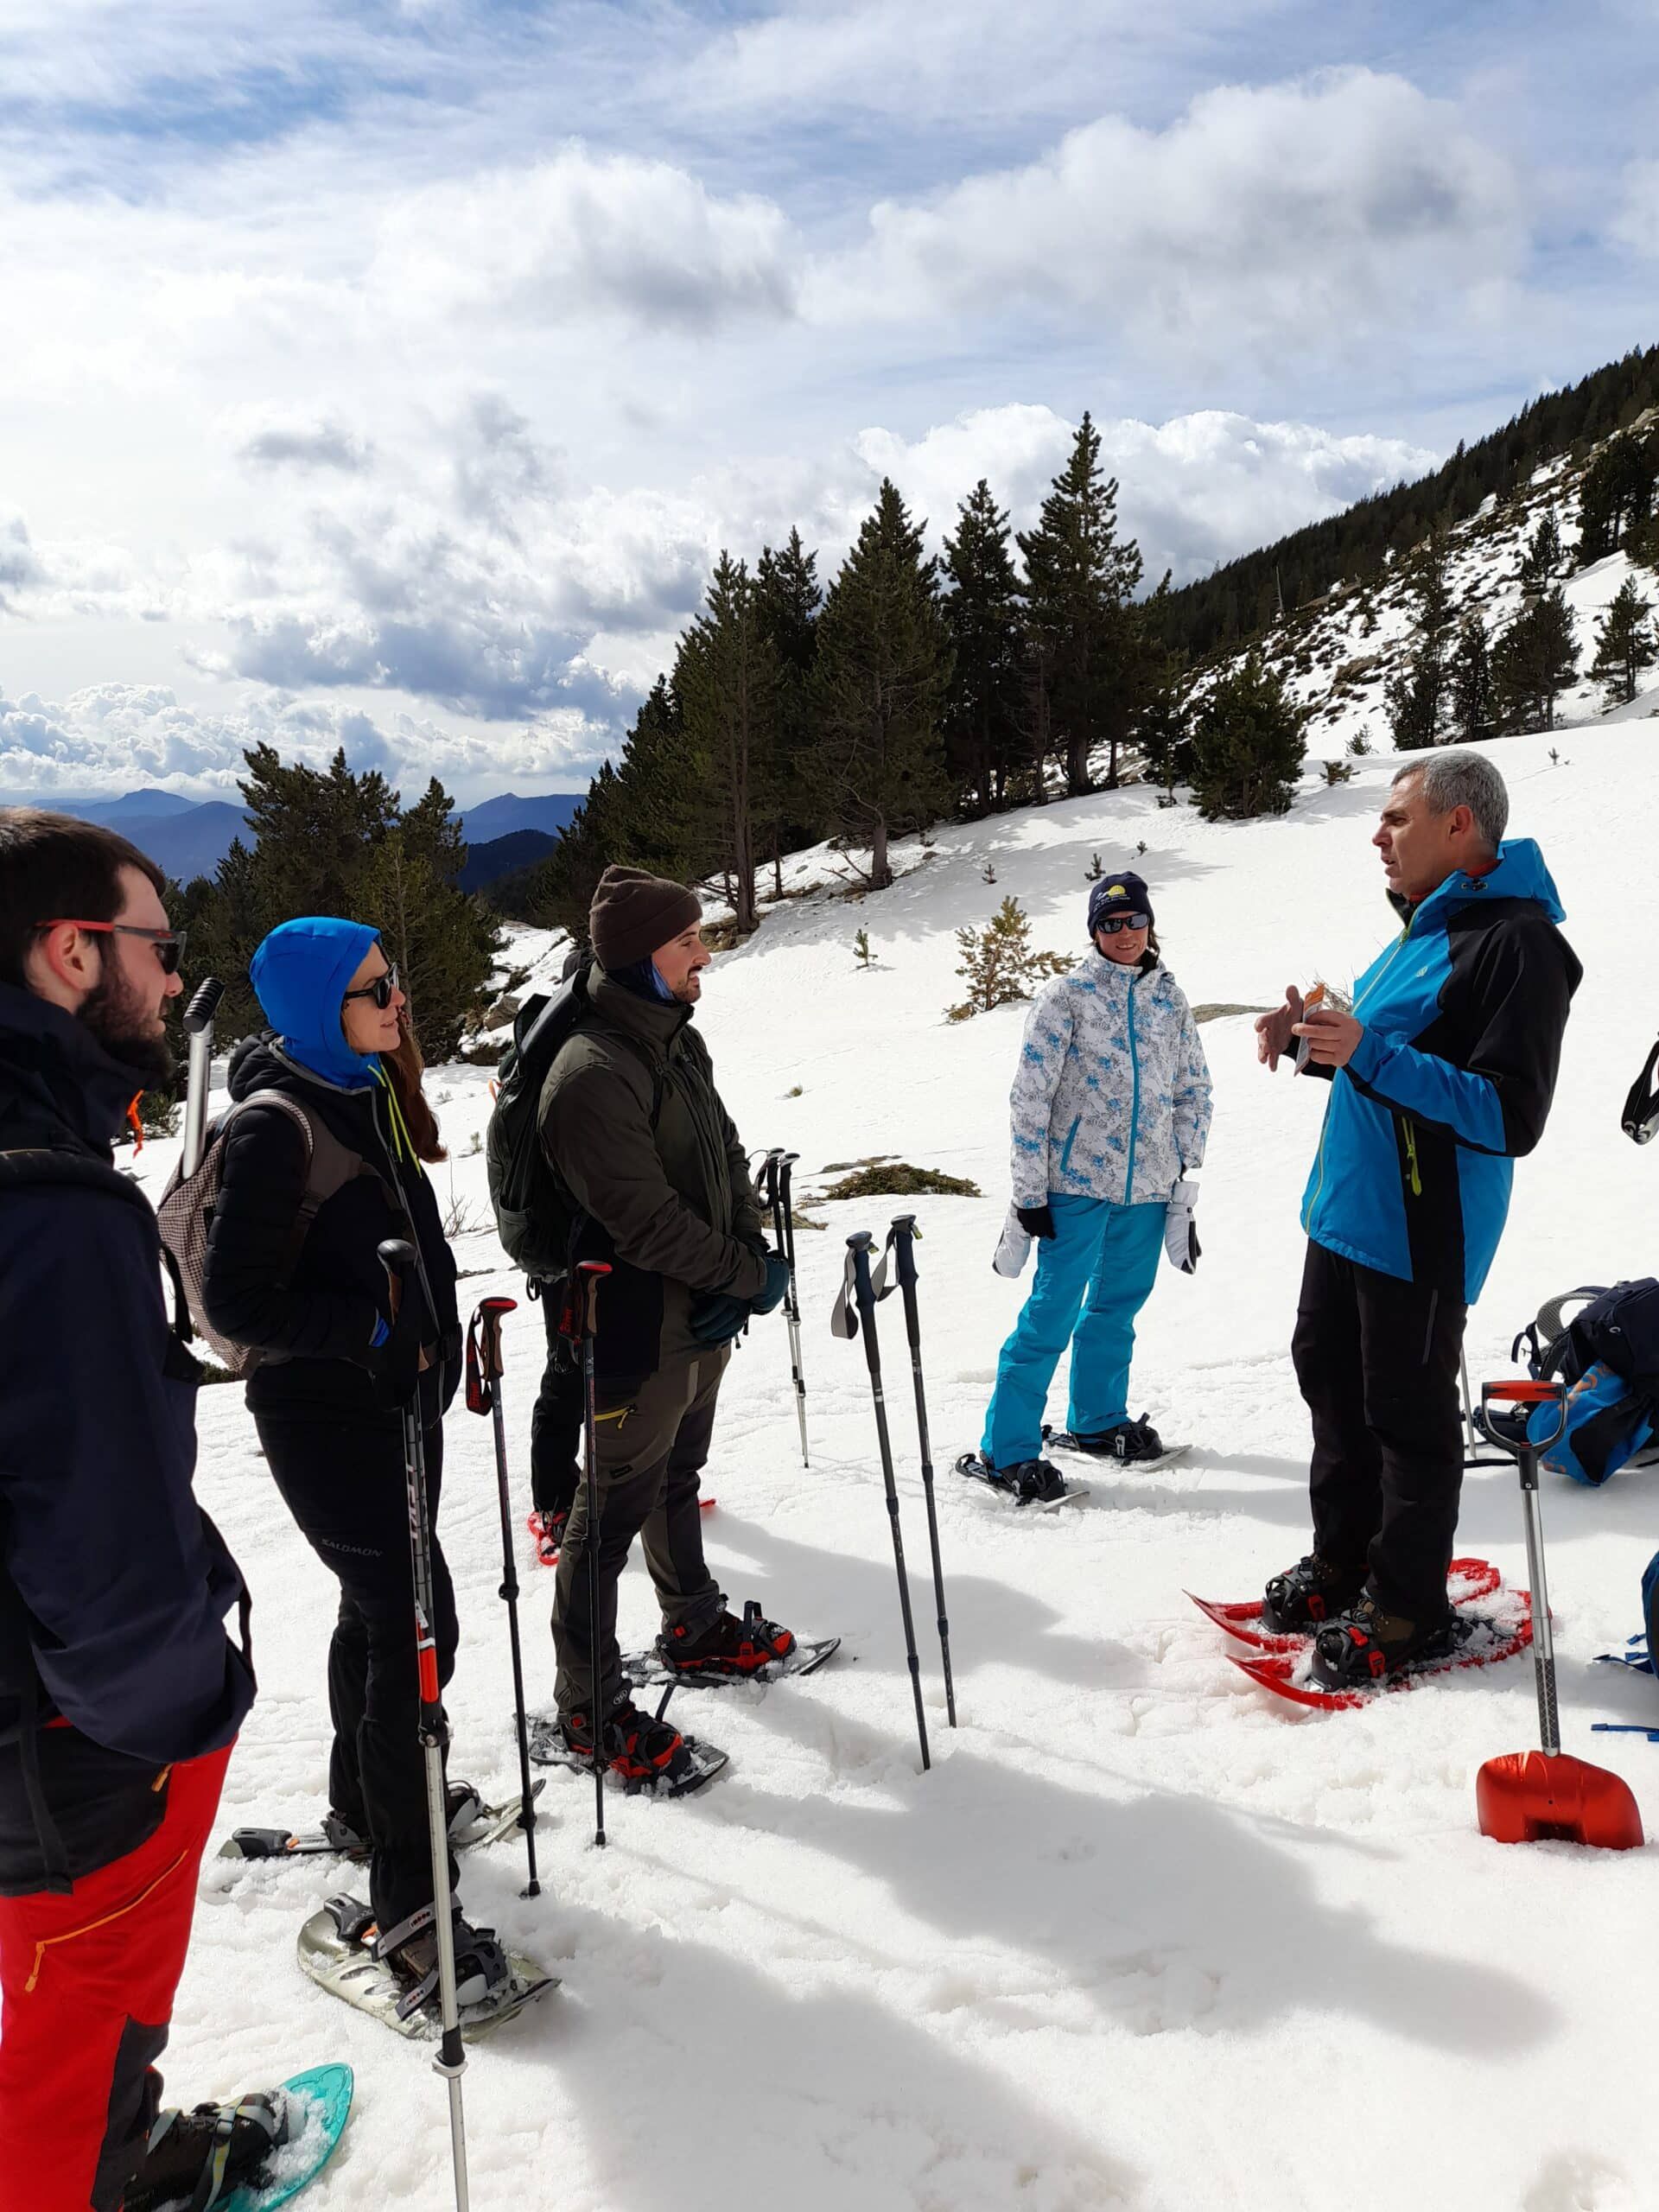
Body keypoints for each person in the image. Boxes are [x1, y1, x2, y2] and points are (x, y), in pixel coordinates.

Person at [0, 810, 296, 2212]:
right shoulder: (50, 1211)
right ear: (72, 953)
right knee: (80, 2013)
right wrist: (185, 1713)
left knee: (55, 2007)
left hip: (29, 1715)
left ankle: (112, 2161)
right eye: (159, 949)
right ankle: (82, 2177)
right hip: (66, 1742)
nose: (175, 984)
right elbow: (102, 1548)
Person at [199, 918, 506, 2007]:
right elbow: (232, 1301)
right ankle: (407, 1900)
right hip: (326, 1415)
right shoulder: (274, 1125)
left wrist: (416, 1341)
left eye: (395, 983)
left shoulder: (362, 1085)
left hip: (394, 1410)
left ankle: (364, 1804)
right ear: (315, 1003)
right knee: (415, 1626)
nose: (398, 1001)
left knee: (376, 1612)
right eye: (375, 988)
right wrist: (374, 1332)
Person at [1255, 751, 1580, 1687]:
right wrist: (1313, 1041)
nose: (1379, 834)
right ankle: (1346, 1562)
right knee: (1331, 1382)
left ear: (1460, 826)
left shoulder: (1519, 944)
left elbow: (1507, 1114)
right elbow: (1384, 1060)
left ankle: (1406, 1607)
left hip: (1420, 1223)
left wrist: (1366, 1051)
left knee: (1406, 1412)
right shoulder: (1424, 930)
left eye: (1398, 817)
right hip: (1349, 1211)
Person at [538, 866, 791, 1786]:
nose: (704, 955)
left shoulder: (674, 1041)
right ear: (642, 956)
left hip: (699, 1316)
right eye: (687, 942)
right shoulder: (592, 1073)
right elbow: (641, 1218)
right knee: (605, 1520)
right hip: (636, 1327)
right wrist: (745, 1273)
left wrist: (750, 1253)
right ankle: (586, 1703)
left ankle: (691, 1621)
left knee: (678, 1474)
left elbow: (722, 1155)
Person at [965, 872, 1212, 1503]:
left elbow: (1194, 1086)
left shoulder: (1169, 999)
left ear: (1150, 924)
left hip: (1150, 1186)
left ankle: (1098, 1421)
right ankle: (1008, 1449)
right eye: (1110, 924)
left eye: (1133, 921)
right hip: (1074, 1184)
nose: (1124, 934)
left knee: (1117, 1307)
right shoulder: (1066, 996)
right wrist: (1028, 1193)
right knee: (1050, 1315)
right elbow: (1029, 1098)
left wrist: (1185, 1173)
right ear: (1094, 932)